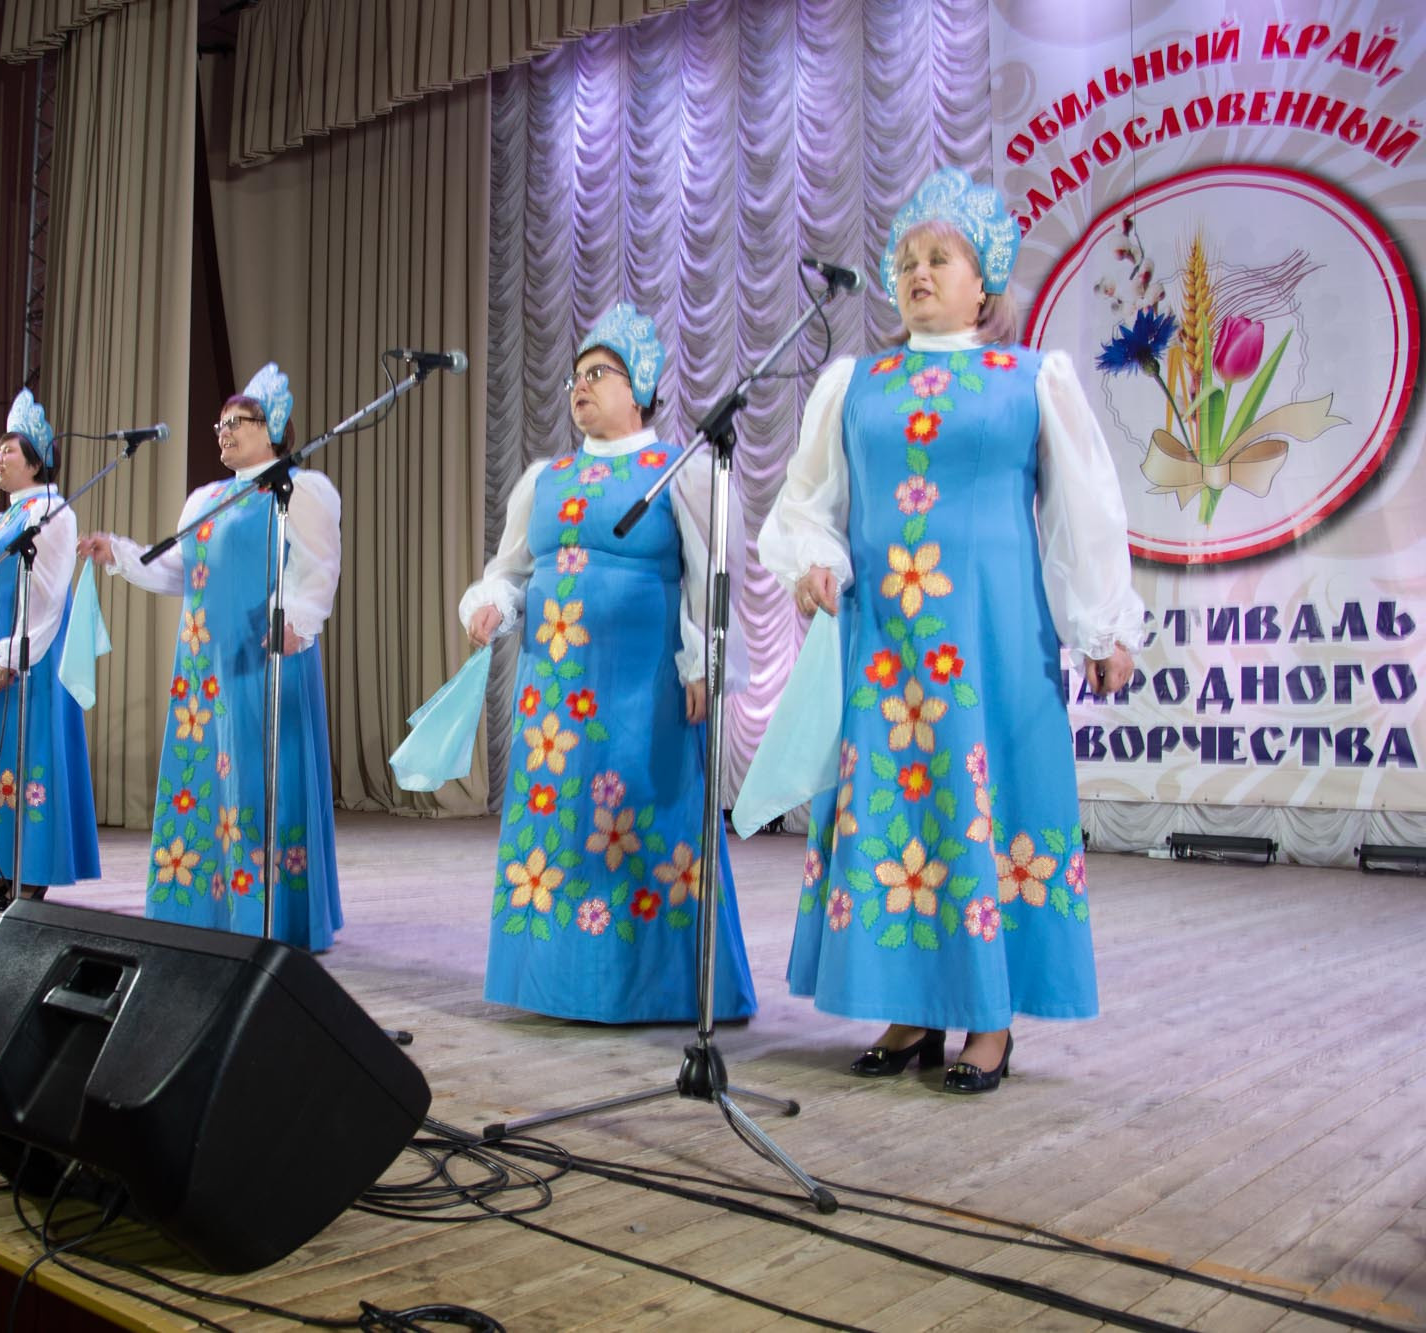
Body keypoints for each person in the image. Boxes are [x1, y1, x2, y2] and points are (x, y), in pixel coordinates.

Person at [756, 166, 1144, 1093]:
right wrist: (812, 562)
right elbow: (806, 499)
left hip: (995, 635)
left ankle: (990, 1021)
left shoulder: (1030, 378)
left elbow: (1082, 514)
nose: (919, 271)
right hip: (887, 637)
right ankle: (913, 1008)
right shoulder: (854, 382)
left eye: (942, 257)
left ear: (986, 283)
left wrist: (1103, 625)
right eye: (907, 259)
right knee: (904, 808)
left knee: (991, 799)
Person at [458, 302, 757, 1024]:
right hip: (555, 693)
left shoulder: (679, 469)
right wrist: (493, 601)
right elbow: (512, 569)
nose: (580, 387)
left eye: (599, 373)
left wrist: (702, 663)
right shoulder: (545, 478)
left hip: (642, 685)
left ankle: (653, 986)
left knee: (640, 817)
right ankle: (554, 983)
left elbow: (713, 571)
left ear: (641, 387)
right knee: (559, 825)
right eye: (575, 376)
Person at [80, 364, 344, 950]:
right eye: (219, 423)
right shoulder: (205, 497)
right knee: (203, 782)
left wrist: (300, 622)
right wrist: (119, 554)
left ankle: (269, 915)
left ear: (273, 426)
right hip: (202, 663)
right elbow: (181, 572)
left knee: (257, 779)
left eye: (237, 422)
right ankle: (208, 910)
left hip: (264, 653)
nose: (223, 432)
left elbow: (319, 566)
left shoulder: (298, 489)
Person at [0, 390, 100, 909]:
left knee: (27, 758)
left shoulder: (54, 511)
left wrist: (13, 656)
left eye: (9, 449)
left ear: (36, 459)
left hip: (31, 655)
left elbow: (51, 594)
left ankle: (31, 873)